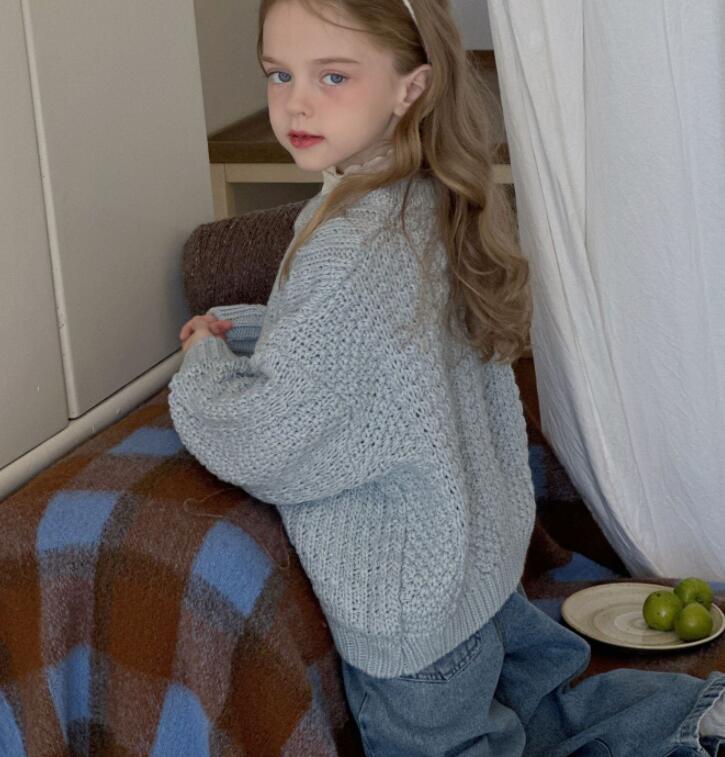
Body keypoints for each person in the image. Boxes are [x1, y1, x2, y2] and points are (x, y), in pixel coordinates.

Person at [168, 0, 725, 754]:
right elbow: (356, 343)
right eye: (279, 74)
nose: (295, 102)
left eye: (333, 76)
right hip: (479, 565)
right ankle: (698, 719)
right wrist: (239, 328)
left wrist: (202, 365)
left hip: (415, 609)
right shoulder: (418, 199)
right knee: (553, 716)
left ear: (411, 87)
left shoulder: (351, 243)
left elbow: (264, 438)